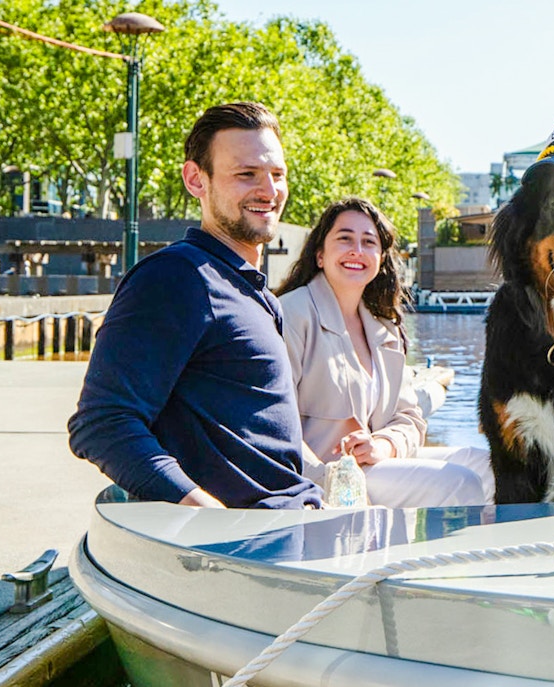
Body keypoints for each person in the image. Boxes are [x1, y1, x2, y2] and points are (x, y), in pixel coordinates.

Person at [69, 102, 322, 509]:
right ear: (195, 179)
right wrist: (202, 513)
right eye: (246, 175)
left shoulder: (251, 291)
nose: (270, 191)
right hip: (248, 547)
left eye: (277, 175)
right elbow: (102, 423)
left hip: (294, 523)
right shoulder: (175, 277)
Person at [275, 197, 493, 507]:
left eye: (369, 242)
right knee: (458, 483)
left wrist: (384, 444)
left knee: (487, 467)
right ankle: (444, 556)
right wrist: (334, 481)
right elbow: (275, 424)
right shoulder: (292, 314)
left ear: (380, 259)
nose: (357, 251)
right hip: (325, 477)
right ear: (320, 255)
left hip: (375, 463)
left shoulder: (384, 328)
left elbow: (410, 418)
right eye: (345, 239)